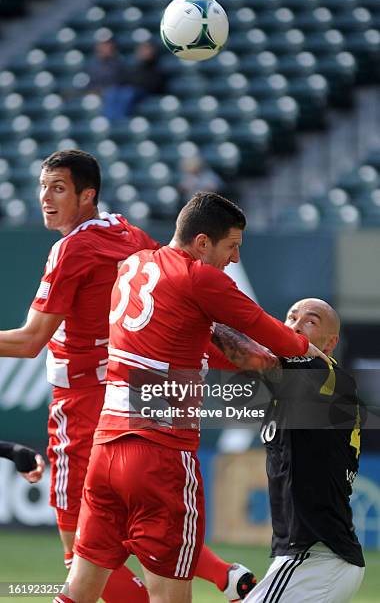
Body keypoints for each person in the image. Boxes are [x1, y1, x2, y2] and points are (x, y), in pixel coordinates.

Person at [0, 151, 260, 602]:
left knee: (81, 552)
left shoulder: (71, 248)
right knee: (141, 530)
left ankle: (221, 576)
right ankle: (225, 575)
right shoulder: (130, 234)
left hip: (82, 405)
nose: (45, 197)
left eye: (58, 188)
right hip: (128, 398)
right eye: (43, 187)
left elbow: (28, 342)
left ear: (88, 194)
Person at [60, 193, 328, 603]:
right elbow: (264, 327)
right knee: (169, 595)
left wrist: (259, 364)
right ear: (202, 242)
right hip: (161, 457)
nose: (234, 259)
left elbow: (193, 344)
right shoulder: (199, 277)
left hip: (107, 450)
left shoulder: (134, 265)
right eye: (232, 246)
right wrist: (320, 360)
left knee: (78, 590)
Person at [244, 298, 365, 603]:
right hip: (311, 558)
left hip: (317, 558)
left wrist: (204, 317)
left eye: (310, 322)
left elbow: (248, 350)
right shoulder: (293, 387)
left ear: (331, 342)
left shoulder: (322, 372)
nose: (295, 327)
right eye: (290, 318)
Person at [86, 38, 163, 121]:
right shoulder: (135, 67)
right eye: (142, 49)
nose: (144, 52)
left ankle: (120, 121)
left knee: (127, 93)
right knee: (112, 92)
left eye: (147, 49)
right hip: (129, 89)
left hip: (144, 92)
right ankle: (109, 120)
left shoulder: (158, 69)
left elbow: (155, 85)